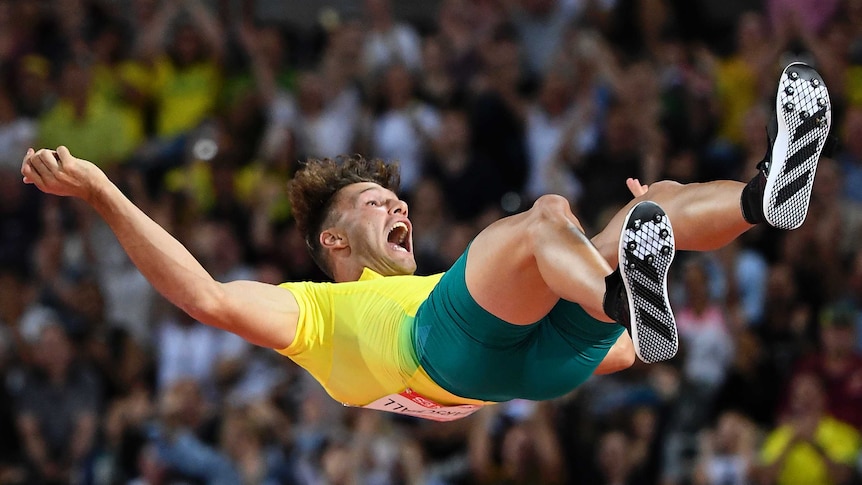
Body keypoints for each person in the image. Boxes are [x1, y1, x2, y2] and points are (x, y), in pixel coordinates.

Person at [20, 62, 832, 421]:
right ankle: (622, 277)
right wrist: (100, 189)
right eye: (378, 201)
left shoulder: (448, 283)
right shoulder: (313, 313)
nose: (399, 205)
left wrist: (632, 275)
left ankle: (765, 198)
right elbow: (200, 294)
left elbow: (622, 356)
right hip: (446, 351)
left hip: (524, 370)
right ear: (333, 240)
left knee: (641, 214)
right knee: (549, 212)